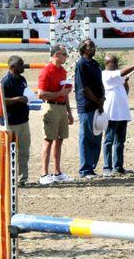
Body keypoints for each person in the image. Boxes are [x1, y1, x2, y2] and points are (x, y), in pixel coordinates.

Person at [102, 56, 134, 176]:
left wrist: (126, 83)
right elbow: (122, 72)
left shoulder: (118, 77)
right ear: (108, 63)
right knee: (109, 141)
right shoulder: (106, 74)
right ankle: (107, 167)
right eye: (114, 62)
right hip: (111, 113)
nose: (117, 64)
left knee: (120, 142)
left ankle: (118, 166)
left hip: (122, 112)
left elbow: (125, 91)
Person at [37, 45, 74, 185]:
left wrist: (69, 112)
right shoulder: (46, 71)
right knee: (48, 140)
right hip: (50, 107)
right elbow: (40, 94)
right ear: (57, 55)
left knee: (60, 139)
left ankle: (57, 172)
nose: (66, 57)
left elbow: (65, 94)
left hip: (61, 108)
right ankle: (44, 174)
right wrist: (60, 94)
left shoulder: (62, 71)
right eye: (64, 54)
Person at [75, 39, 105, 179]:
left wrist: (102, 99)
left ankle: (92, 167)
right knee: (86, 137)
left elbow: (99, 83)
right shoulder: (81, 64)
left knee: (96, 137)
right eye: (89, 46)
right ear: (83, 49)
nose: (93, 48)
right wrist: (97, 100)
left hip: (98, 106)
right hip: (87, 106)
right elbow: (84, 88)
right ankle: (85, 169)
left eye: (93, 45)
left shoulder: (95, 64)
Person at [2, 56, 31, 186]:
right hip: (11, 122)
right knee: (10, 152)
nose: (23, 66)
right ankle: (9, 178)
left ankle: (22, 178)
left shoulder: (23, 79)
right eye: (21, 64)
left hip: (24, 121)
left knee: (24, 151)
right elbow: (2, 101)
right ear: (13, 67)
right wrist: (17, 99)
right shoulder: (5, 82)